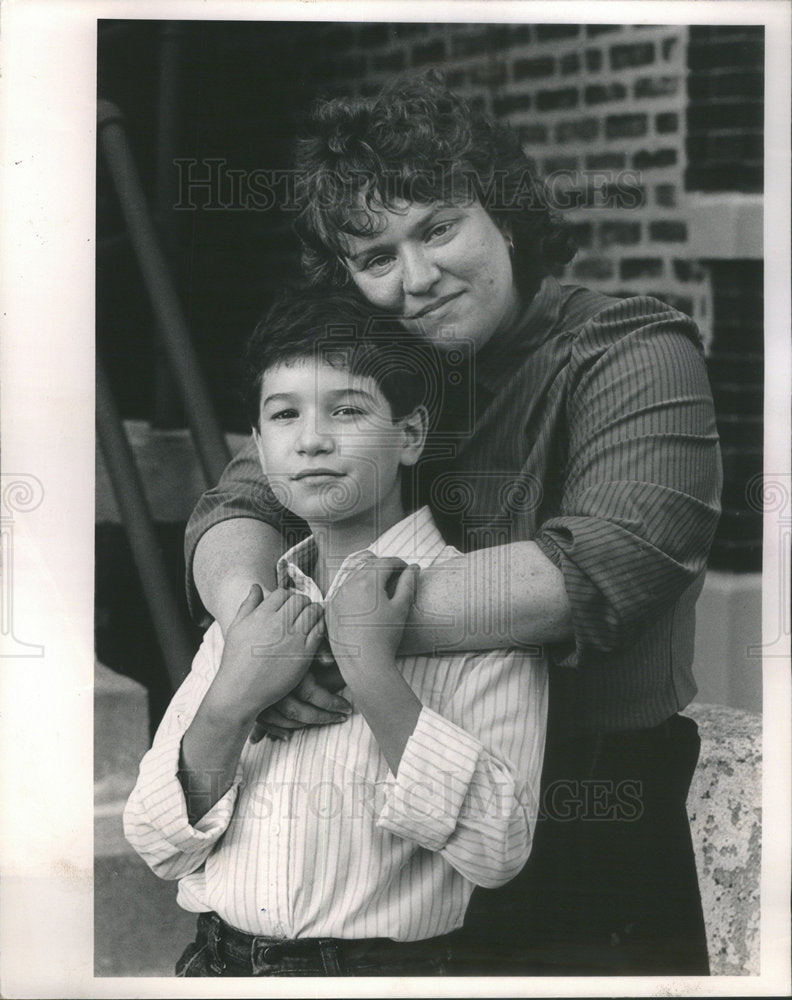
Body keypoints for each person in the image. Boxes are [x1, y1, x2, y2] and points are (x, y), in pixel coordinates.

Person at [183, 72, 722, 974]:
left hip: (588, 822)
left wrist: (328, 636)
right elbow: (240, 506)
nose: (418, 278)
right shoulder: (370, 373)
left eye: (439, 228)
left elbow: (610, 563)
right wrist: (252, 635)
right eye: (377, 256)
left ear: (505, 215)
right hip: (386, 840)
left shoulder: (629, 346)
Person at [124, 290, 549, 977]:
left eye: (347, 410)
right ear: (260, 451)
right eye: (285, 414)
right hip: (214, 967)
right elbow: (156, 842)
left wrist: (370, 668)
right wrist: (233, 700)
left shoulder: (484, 611)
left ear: (410, 435)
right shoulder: (255, 614)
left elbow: (497, 850)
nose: (312, 438)